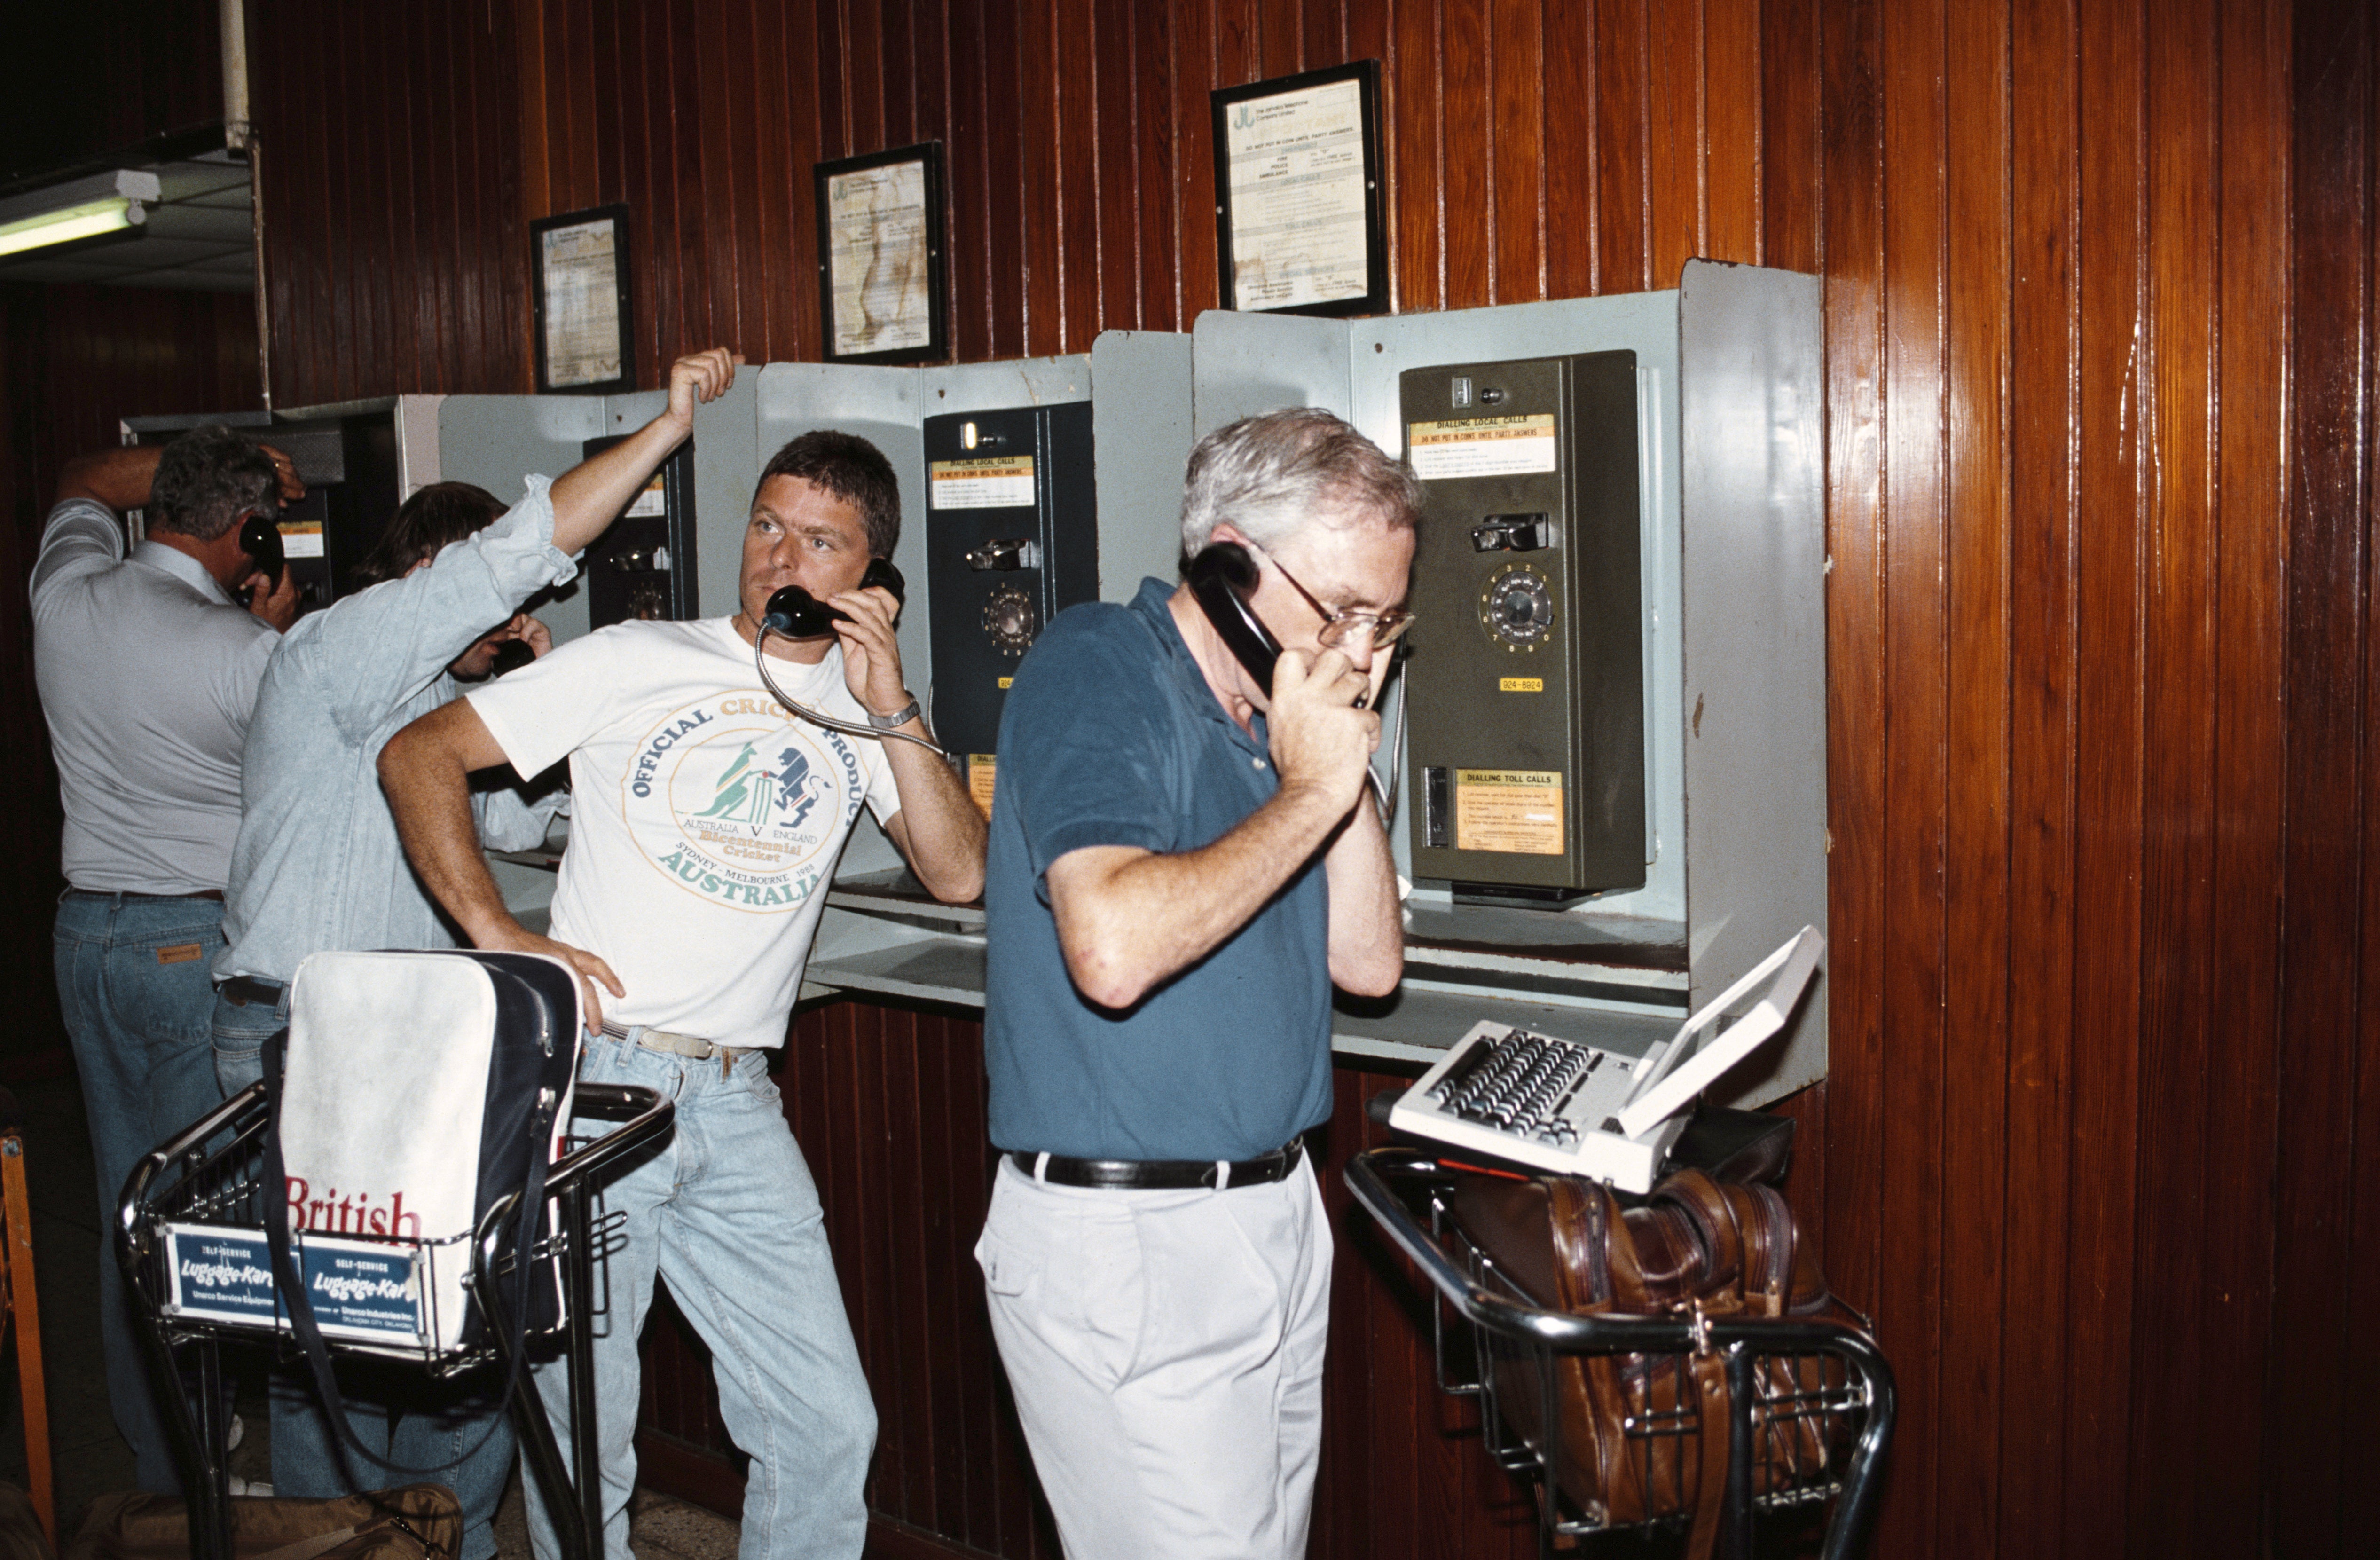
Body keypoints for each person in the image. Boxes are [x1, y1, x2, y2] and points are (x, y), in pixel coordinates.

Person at [378, 428, 988, 1560]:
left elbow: (961, 871)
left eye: (819, 540)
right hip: (603, 1081)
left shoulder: (863, 714)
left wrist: (892, 698)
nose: (779, 559)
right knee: (587, 1432)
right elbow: (417, 755)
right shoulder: (635, 656)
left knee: (824, 1425)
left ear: (872, 577)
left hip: (735, 1096)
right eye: (767, 526)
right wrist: (497, 930)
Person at [209, 347, 739, 1560]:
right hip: (297, 1036)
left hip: (397, 1047)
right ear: (425, 585)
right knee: (325, 1345)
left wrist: (557, 713)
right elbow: (509, 557)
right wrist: (662, 433)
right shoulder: (337, 657)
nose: (503, 626)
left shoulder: (425, 701)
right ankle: (335, 1542)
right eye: (483, 611)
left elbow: (508, 824)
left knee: (442, 1324)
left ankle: (439, 1539)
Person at [974, 407, 1416, 1559]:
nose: (1363, 653)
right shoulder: (1095, 669)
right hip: (1129, 1241)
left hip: (1272, 1213)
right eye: (1344, 612)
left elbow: (1368, 964)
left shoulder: (1279, 720)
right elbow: (1112, 951)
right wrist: (1310, 795)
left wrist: (1334, 756)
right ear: (1228, 562)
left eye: (1386, 621)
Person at [31, 426, 302, 1493]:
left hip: (84, 939)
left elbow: (76, 475)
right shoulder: (243, 654)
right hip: (190, 947)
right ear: (253, 534)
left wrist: (211, 466)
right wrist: (273, 630)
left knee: (128, 1207)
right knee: (212, 1218)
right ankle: (223, 1460)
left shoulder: (66, 592)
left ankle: (169, 1458)